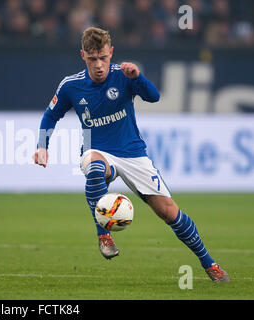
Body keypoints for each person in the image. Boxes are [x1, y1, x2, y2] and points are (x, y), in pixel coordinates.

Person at [33, 27, 230, 283]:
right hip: (97, 150)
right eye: (93, 59)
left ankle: (209, 264)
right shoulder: (71, 85)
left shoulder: (124, 75)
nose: (99, 65)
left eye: (103, 57)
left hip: (133, 154)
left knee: (170, 213)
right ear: (83, 56)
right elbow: (51, 115)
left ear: (111, 53)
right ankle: (104, 235)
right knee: (94, 169)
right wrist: (42, 145)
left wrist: (137, 77)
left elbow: (154, 96)